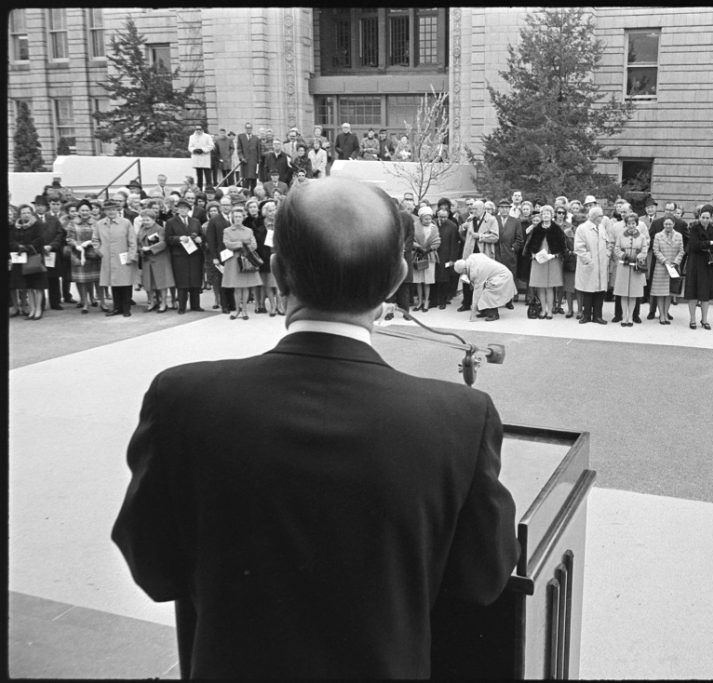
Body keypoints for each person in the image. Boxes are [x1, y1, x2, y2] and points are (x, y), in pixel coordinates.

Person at [112, 177, 519, 678]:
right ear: (396, 278)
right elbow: (482, 580)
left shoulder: (182, 400)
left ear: (280, 272)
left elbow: (154, 568)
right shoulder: (459, 420)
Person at [94, 199, 139, 317]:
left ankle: (126, 308)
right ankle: (117, 307)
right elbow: (95, 240)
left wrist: (131, 255)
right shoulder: (99, 224)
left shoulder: (126, 223)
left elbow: (132, 241)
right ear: (104, 211)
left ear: (117, 210)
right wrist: (99, 250)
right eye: (108, 210)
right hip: (108, 257)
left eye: (113, 209)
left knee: (125, 283)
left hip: (123, 256)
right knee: (113, 283)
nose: (111, 212)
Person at [682, 205, 713, 329]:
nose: (705, 219)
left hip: (708, 264)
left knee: (706, 294)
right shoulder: (694, 229)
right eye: (703, 217)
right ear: (699, 217)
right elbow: (693, 245)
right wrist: (708, 243)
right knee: (693, 293)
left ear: (711, 218)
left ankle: (704, 320)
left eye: (707, 217)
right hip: (694, 263)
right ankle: (692, 319)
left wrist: (707, 246)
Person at [525, 205, 567, 319]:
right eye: (544, 214)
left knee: (549, 287)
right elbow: (529, 245)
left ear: (552, 215)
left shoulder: (557, 229)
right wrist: (533, 254)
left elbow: (563, 246)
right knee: (540, 286)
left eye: (548, 213)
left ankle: (549, 311)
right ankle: (543, 310)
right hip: (538, 261)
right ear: (541, 215)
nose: (546, 215)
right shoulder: (536, 229)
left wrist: (555, 254)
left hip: (552, 260)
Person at [220, 206, 262, 320]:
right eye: (235, 217)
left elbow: (254, 245)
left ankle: (244, 310)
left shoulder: (249, 230)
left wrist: (238, 244)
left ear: (243, 217)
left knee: (245, 287)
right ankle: (237, 309)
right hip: (233, 261)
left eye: (239, 216)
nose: (238, 218)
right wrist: (242, 243)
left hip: (246, 260)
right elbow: (227, 244)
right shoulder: (227, 231)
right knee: (237, 287)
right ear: (232, 218)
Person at [164, 199, 206, 314]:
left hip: (194, 255)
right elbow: (168, 239)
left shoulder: (195, 221)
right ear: (177, 209)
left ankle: (195, 305)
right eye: (180, 208)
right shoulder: (171, 222)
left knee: (195, 281)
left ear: (189, 210)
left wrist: (200, 239)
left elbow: (201, 236)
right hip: (179, 256)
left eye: (185, 208)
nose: (183, 210)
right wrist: (178, 239)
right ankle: (182, 307)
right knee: (182, 282)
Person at [457, 200, 499, 311]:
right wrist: (463, 227)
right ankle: (466, 303)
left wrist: (480, 236)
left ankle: (482, 306)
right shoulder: (470, 219)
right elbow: (462, 233)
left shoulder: (491, 219)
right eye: (472, 208)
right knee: (466, 278)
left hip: (483, 254)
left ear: (482, 209)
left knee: (483, 281)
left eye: (475, 209)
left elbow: (495, 237)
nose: (472, 210)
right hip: (469, 253)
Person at [574, 205, 612, 325]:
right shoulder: (582, 228)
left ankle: (598, 316)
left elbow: (607, 243)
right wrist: (588, 261)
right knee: (588, 291)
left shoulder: (601, 227)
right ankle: (586, 316)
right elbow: (579, 248)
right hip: (589, 265)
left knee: (600, 291)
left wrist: (607, 255)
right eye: (601, 215)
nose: (602, 217)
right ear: (595, 217)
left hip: (601, 265)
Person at [10, 204, 48, 319]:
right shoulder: (15, 226)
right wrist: (18, 246)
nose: (26, 215)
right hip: (21, 258)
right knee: (28, 286)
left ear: (31, 214)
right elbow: (11, 240)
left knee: (37, 286)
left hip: (34, 257)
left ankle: (38, 309)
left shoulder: (37, 225)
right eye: (23, 213)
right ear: (19, 214)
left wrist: (27, 247)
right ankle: (31, 309)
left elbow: (40, 239)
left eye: (28, 212)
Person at [453, 253, 516, 321]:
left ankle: (494, 314)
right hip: (500, 274)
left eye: (462, 273)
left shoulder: (476, 270)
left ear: (464, 269)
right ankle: (485, 312)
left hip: (503, 277)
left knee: (487, 293)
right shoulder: (472, 258)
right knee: (483, 290)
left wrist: (473, 313)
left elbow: (477, 293)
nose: (463, 274)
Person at [613, 213, 650, 327]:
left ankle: (631, 318)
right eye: (629, 223)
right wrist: (623, 255)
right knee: (623, 293)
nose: (631, 226)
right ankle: (624, 317)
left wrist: (638, 257)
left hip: (635, 268)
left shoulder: (642, 237)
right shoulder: (620, 235)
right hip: (624, 267)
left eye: (633, 223)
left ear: (637, 224)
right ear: (626, 224)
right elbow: (616, 248)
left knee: (633, 294)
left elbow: (645, 250)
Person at [65, 199, 102, 313]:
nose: (85, 212)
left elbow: (101, 237)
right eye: (82, 210)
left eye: (87, 210)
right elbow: (69, 238)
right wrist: (76, 245)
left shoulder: (97, 222)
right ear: (78, 211)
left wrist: (92, 242)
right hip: (78, 255)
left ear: (90, 211)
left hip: (94, 254)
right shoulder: (72, 223)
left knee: (97, 279)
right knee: (81, 281)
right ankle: (85, 303)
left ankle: (101, 302)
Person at [136, 209, 175, 312]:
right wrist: (141, 250)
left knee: (162, 283)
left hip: (159, 259)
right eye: (143, 220)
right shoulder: (142, 229)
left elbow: (163, 243)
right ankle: (152, 302)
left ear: (153, 219)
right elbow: (138, 242)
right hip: (146, 259)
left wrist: (150, 249)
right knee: (148, 283)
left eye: (147, 220)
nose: (145, 222)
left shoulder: (160, 229)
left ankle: (163, 303)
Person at [650, 216, 685, 326]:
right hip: (661, 266)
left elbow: (681, 251)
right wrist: (664, 261)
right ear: (663, 225)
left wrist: (676, 262)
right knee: (660, 292)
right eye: (666, 224)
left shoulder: (679, 236)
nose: (668, 226)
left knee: (669, 292)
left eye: (670, 224)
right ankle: (661, 315)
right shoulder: (658, 236)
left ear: (674, 224)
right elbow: (656, 250)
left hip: (673, 267)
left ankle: (666, 313)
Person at [410, 206, 441, 312]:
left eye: (429, 218)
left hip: (430, 256)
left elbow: (437, 241)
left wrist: (428, 249)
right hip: (418, 256)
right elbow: (411, 239)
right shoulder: (414, 226)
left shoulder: (434, 227)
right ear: (421, 218)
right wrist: (418, 247)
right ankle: (419, 302)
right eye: (425, 219)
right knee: (418, 281)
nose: (428, 221)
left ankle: (426, 301)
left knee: (427, 281)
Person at [430, 203, 461, 310]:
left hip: (446, 256)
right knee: (432, 279)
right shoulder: (432, 223)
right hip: (433, 255)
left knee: (444, 279)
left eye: (444, 217)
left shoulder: (452, 226)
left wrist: (452, 259)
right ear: (437, 215)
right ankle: (433, 301)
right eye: (440, 217)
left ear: (448, 216)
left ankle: (443, 301)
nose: (442, 219)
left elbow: (454, 245)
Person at [494, 199, 525, 309]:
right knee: (496, 278)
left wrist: (513, 248)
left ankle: (509, 301)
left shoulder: (515, 221)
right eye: (502, 207)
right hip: (496, 253)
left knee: (510, 277)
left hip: (509, 254)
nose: (504, 209)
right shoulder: (494, 219)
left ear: (509, 209)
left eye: (506, 207)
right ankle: (496, 301)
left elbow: (520, 239)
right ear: (499, 209)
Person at [187, 125, 216, 190]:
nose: (198, 131)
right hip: (197, 157)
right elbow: (190, 146)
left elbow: (211, 145)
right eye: (197, 130)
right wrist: (194, 150)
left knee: (207, 174)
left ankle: (209, 188)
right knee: (199, 175)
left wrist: (203, 150)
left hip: (205, 157)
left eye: (200, 129)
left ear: (202, 130)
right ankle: (199, 188)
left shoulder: (207, 136)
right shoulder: (192, 137)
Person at [237, 122, 263, 193]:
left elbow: (259, 150)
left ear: (252, 129)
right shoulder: (241, 137)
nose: (248, 129)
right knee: (245, 180)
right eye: (247, 128)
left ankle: (252, 194)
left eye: (250, 128)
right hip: (245, 162)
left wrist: (259, 161)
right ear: (245, 128)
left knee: (253, 180)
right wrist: (241, 158)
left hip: (254, 162)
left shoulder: (256, 138)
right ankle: (245, 194)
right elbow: (239, 149)